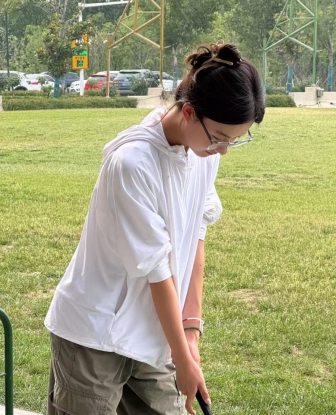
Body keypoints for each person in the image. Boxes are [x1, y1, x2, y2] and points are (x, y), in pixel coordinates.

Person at [44, 42, 265, 415]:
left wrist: (190, 334)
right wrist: (181, 357)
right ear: (190, 113)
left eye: (233, 140)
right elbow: (157, 271)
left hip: (152, 328)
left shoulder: (202, 153)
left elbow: (195, 239)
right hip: (93, 333)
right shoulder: (132, 164)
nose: (223, 150)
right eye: (220, 138)